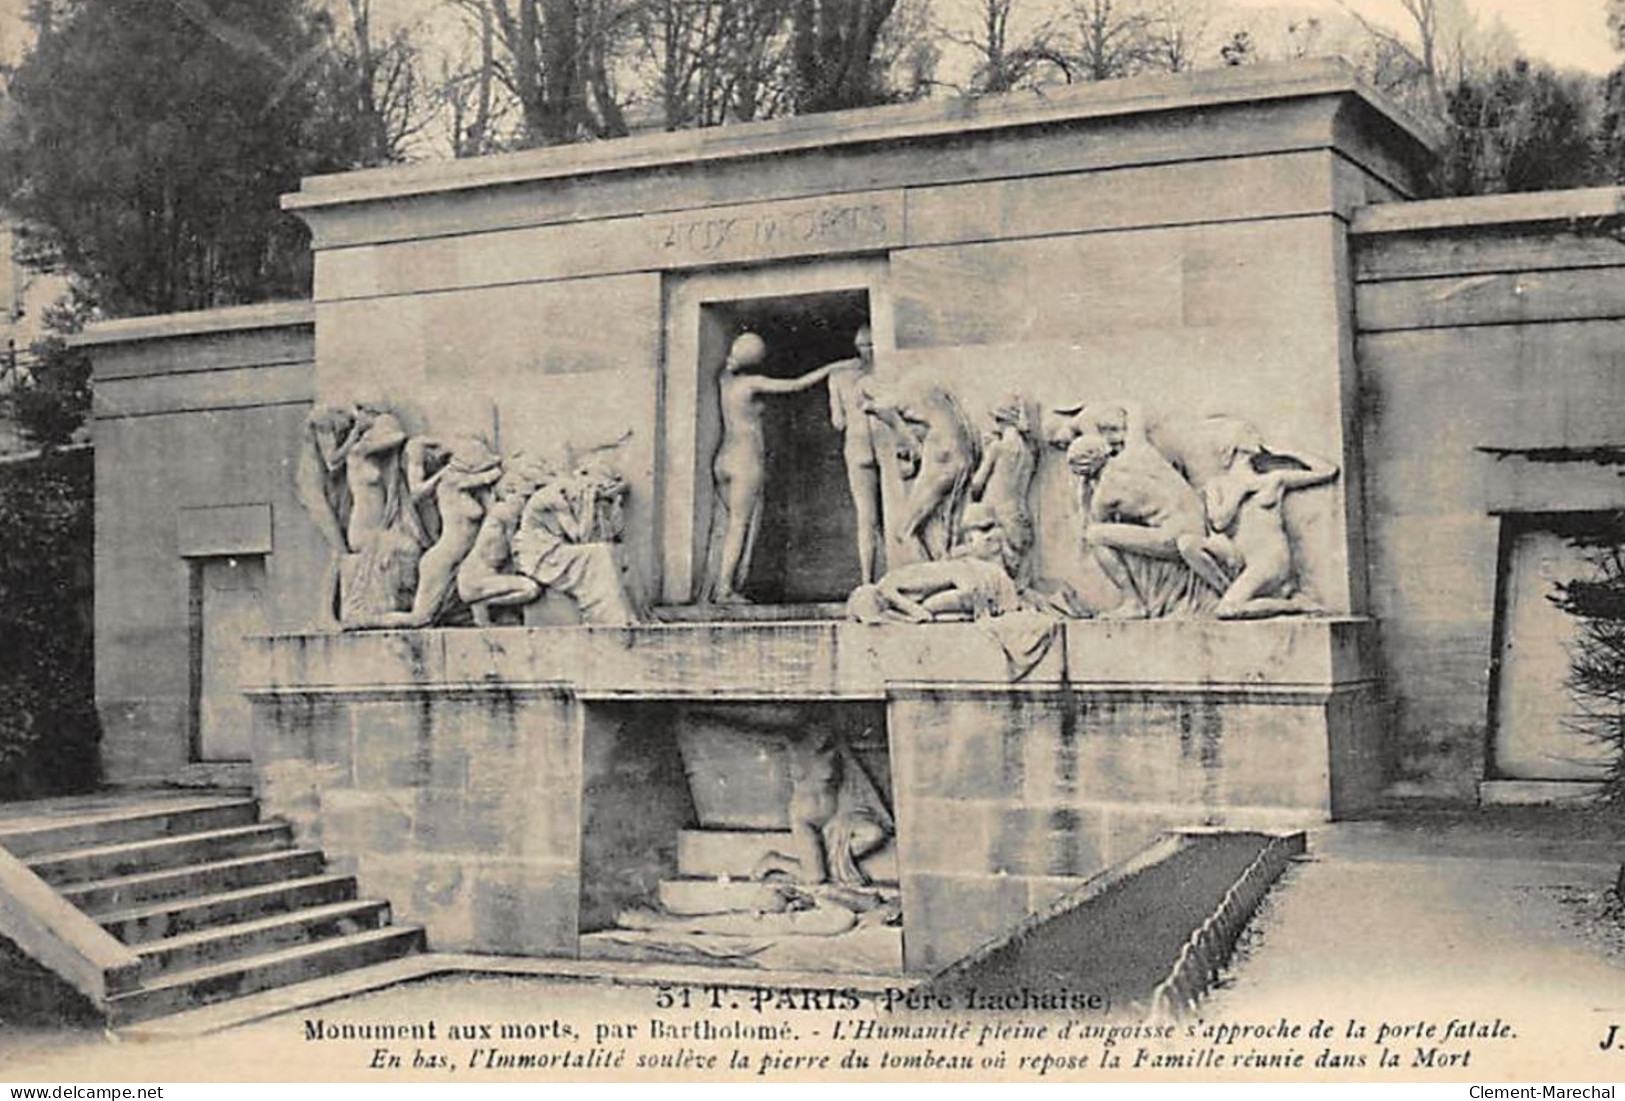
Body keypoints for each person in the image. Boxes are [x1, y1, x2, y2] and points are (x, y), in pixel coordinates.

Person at [704, 332, 841, 604]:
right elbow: (796, 384)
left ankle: (719, 584)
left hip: (723, 456)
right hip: (745, 459)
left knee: (726, 523)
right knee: (739, 524)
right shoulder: (753, 383)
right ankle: (724, 588)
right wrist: (832, 367)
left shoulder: (724, 381)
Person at [1201, 446, 1339, 619]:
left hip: (1270, 558)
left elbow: (1328, 471)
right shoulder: (1217, 484)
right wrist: (1240, 492)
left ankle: (1294, 605)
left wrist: (1286, 452)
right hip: (1245, 562)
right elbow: (1219, 522)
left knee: (1227, 608)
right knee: (1227, 608)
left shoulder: (1273, 480)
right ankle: (1290, 603)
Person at [826, 325, 886, 584]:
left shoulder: (838, 376)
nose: (868, 352)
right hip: (882, 443)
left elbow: (838, 422)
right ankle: (878, 579)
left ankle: (867, 581)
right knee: (885, 515)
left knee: (866, 517)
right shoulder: (884, 373)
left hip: (857, 445)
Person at [970, 393, 1038, 585]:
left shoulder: (997, 448)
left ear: (1000, 419)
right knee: (1018, 577)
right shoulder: (1029, 452)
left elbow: (977, 484)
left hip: (994, 512)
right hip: (1020, 513)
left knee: (994, 573)